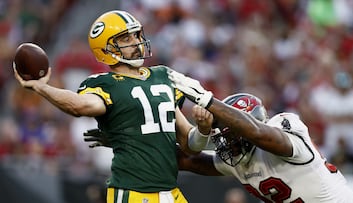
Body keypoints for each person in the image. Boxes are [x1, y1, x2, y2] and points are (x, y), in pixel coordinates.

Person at [13, 10, 212, 203]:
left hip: (171, 191)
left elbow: (190, 146)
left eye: (136, 35)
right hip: (133, 192)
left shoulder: (162, 76)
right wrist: (41, 87)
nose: (136, 42)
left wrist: (202, 130)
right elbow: (79, 106)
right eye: (126, 39)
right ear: (106, 49)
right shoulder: (106, 84)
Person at [167, 69, 353, 203]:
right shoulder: (238, 160)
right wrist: (165, 108)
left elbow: (258, 133)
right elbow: (187, 160)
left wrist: (206, 99)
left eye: (231, 134)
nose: (227, 143)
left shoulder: (285, 126)